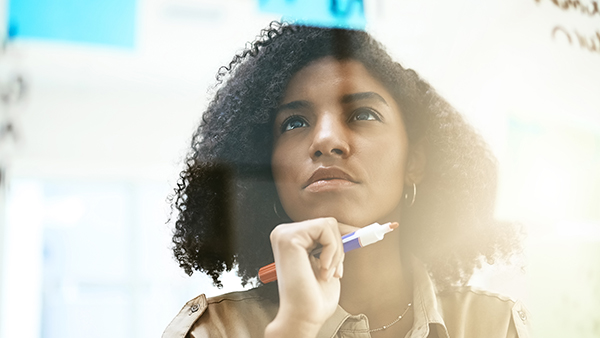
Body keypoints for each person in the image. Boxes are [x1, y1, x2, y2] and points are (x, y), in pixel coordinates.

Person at [162, 21, 529, 338]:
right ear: (269, 170)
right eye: (295, 123)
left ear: (414, 161)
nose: (325, 140)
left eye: (363, 115)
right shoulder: (213, 332)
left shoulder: (493, 326)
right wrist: (295, 328)